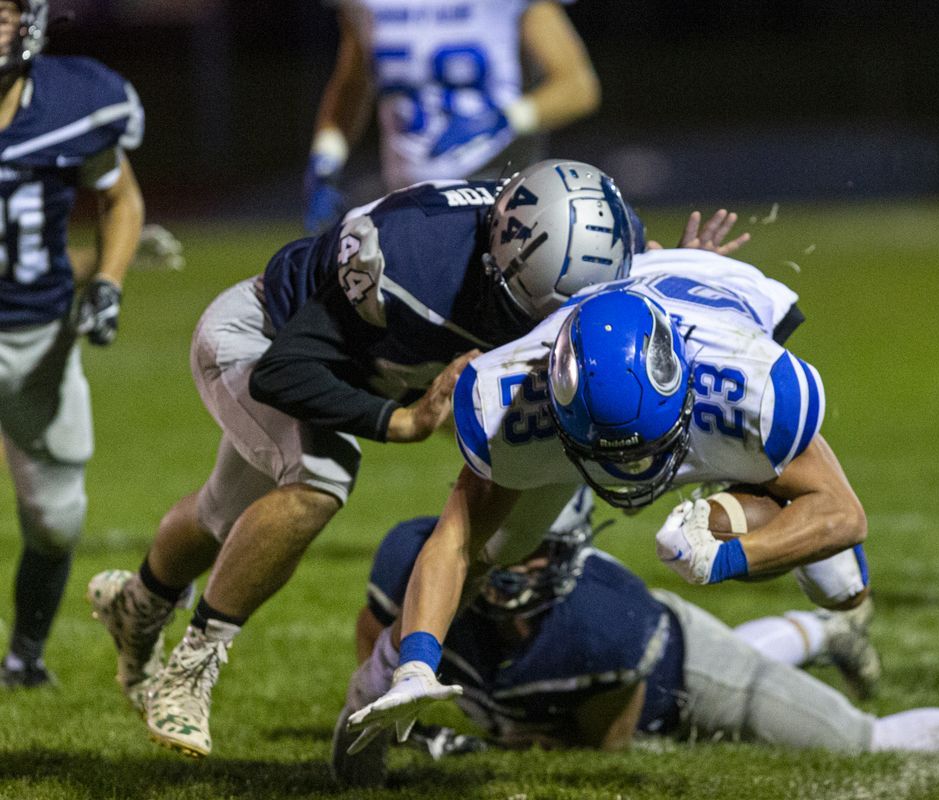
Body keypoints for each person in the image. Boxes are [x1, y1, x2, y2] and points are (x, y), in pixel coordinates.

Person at [88, 159, 741, 758]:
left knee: (219, 517)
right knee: (319, 479)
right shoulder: (406, 261)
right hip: (260, 340)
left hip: (365, 366)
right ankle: (193, 666)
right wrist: (400, 421)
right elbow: (284, 372)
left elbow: (614, 295)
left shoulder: (596, 229)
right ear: (499, 265)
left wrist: (683, 274)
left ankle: (139, 603)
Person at [346, 247, 879, 740]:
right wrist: (415, 664)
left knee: (841, 589)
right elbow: (453, 543)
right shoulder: (510, 398)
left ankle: (805, 600)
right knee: (494, 549)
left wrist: (728, 557)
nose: (629, 471)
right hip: (609, 330)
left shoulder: (750, 386)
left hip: (715, 318)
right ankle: (374, 682)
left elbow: (844, 514)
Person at [331, 513, 939, 786]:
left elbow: (605, 737)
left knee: (851, 740)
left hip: (675, 677)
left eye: (537, 553)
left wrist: (492, 733)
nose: (516, 566)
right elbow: (378, 637)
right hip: (600, 669)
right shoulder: (415, 557)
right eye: (506, 547)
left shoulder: (597, 626)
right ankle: (824, 633)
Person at [0, 0, 146, 687]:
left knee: (56, 521)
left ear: (28, 20)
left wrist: (108, 280)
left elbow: (121, 200)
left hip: (39, 336)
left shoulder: (72, 98)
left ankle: (25, 656)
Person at [303, 0, 601, 233]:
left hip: (499, 197)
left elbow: (577, 86)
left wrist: (503, 119)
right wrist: (327, 156)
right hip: (408, 201)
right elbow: (354, 83)